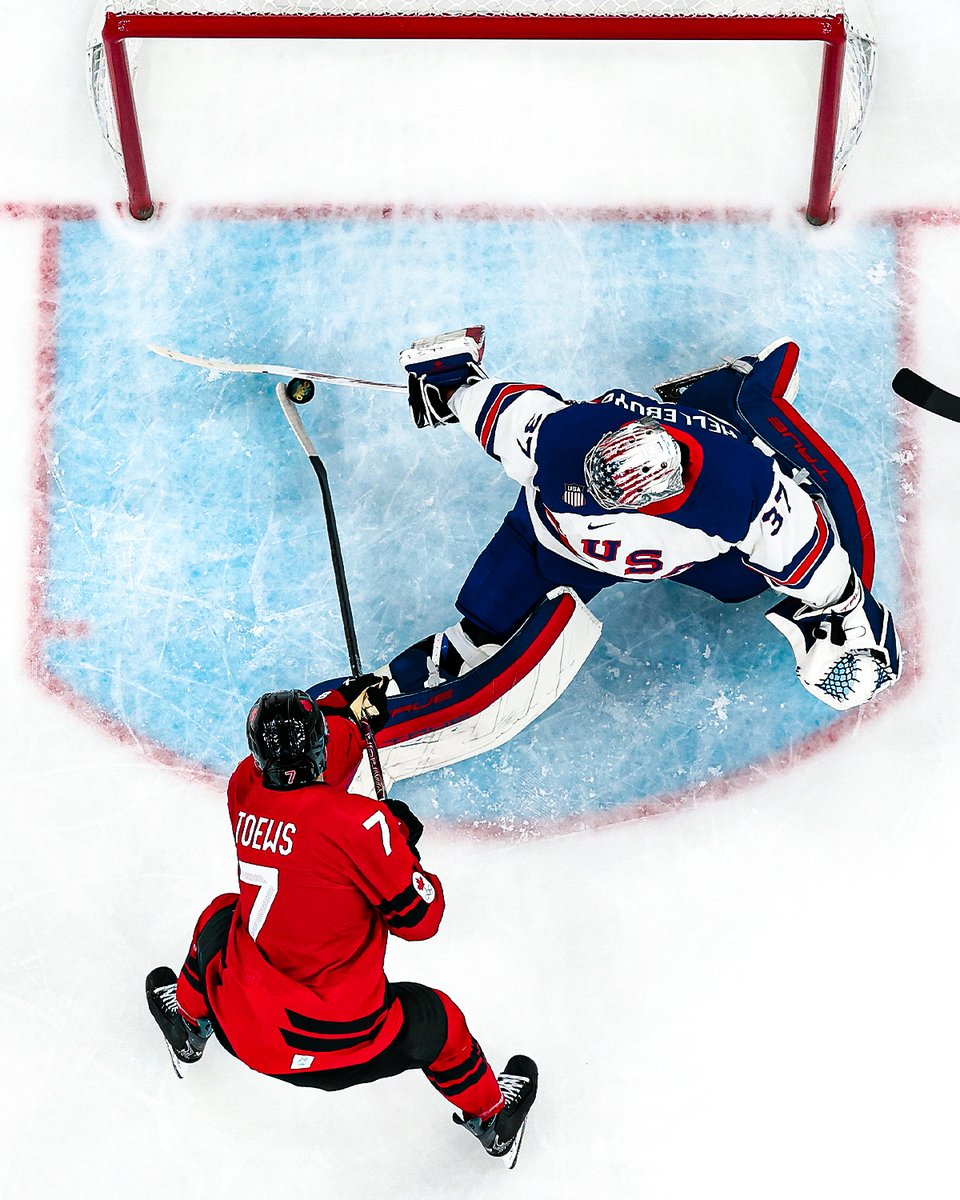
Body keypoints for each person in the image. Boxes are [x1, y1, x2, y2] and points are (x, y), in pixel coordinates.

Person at [385, 327, 901, 713]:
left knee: (744, 585)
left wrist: (850, 616)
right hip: (551, 546)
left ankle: (734, 408)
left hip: (691, 550)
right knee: (489, 629)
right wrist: (452, 382)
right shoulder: (553, 436)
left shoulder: (737, 492)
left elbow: (810, 554)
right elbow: (492, 406)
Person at [145, 676, 537, 1163]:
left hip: (243, 1026)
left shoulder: (244, 788)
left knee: (221, 916)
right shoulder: (362, 826)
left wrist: (342, 709)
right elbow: (421, 919)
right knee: (441, 1024)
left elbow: (307, 794)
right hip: (341, 1041)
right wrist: (403, 849)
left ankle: (189, 1022)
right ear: (318, 747)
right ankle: (493, 1118)